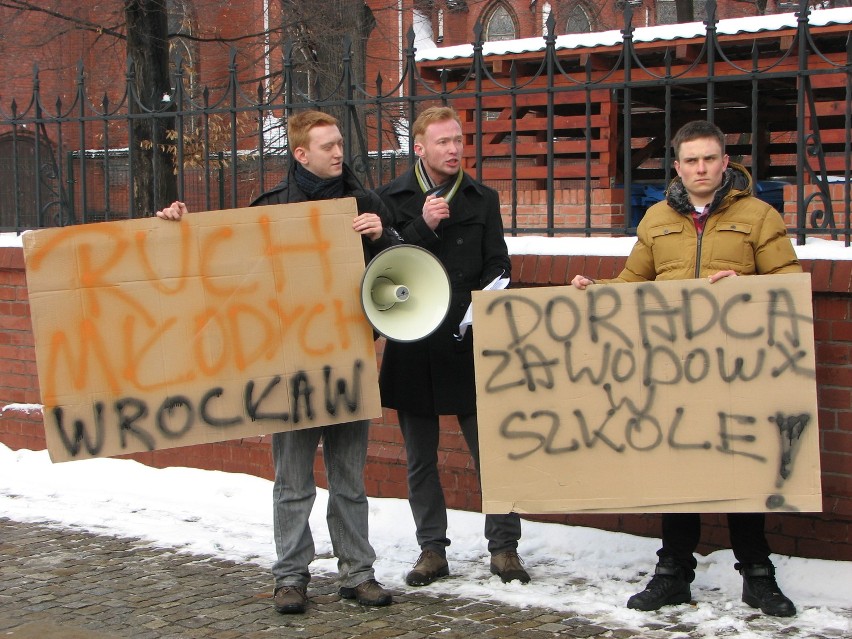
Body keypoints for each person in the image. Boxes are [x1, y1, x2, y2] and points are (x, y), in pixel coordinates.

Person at [156, 110, 400, 614]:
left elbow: (404, 277)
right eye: (327, 146)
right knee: (293, 482)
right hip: (289, 364)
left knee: (349, 480)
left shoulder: (368, 204)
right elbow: (226, 268)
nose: (338, 152)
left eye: (339, 144)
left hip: (345, 360)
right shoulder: (271, 208)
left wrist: (383, 237)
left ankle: (358, 573)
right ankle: (290, 577)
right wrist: (176, 228)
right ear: (300, 154)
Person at [570, 120, 800, 617]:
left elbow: (789, 283)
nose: (700, 168)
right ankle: (673, 573)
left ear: (725, 162)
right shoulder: (655, 219)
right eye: (690, 160)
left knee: (746, 468)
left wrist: (744, 284)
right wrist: (598, 291)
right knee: (677, 468)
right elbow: (636, 283)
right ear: (676, 166)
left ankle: (758, 576)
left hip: (739, 366)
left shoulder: (759, 216)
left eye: (709, 159)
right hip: (675, 369)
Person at [375, 106, 529, 587]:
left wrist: (482, 306)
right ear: (419, 147)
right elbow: (383, 270)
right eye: (443, 142)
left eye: (458, 140)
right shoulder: (390, 198)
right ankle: (431, 550)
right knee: (420, 459)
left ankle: (504, 548)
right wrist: (422, 226)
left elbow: (498, 262)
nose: (454, 149)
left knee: (494, 454)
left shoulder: (482, 198)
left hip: (469, 341)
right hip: (413, 342)